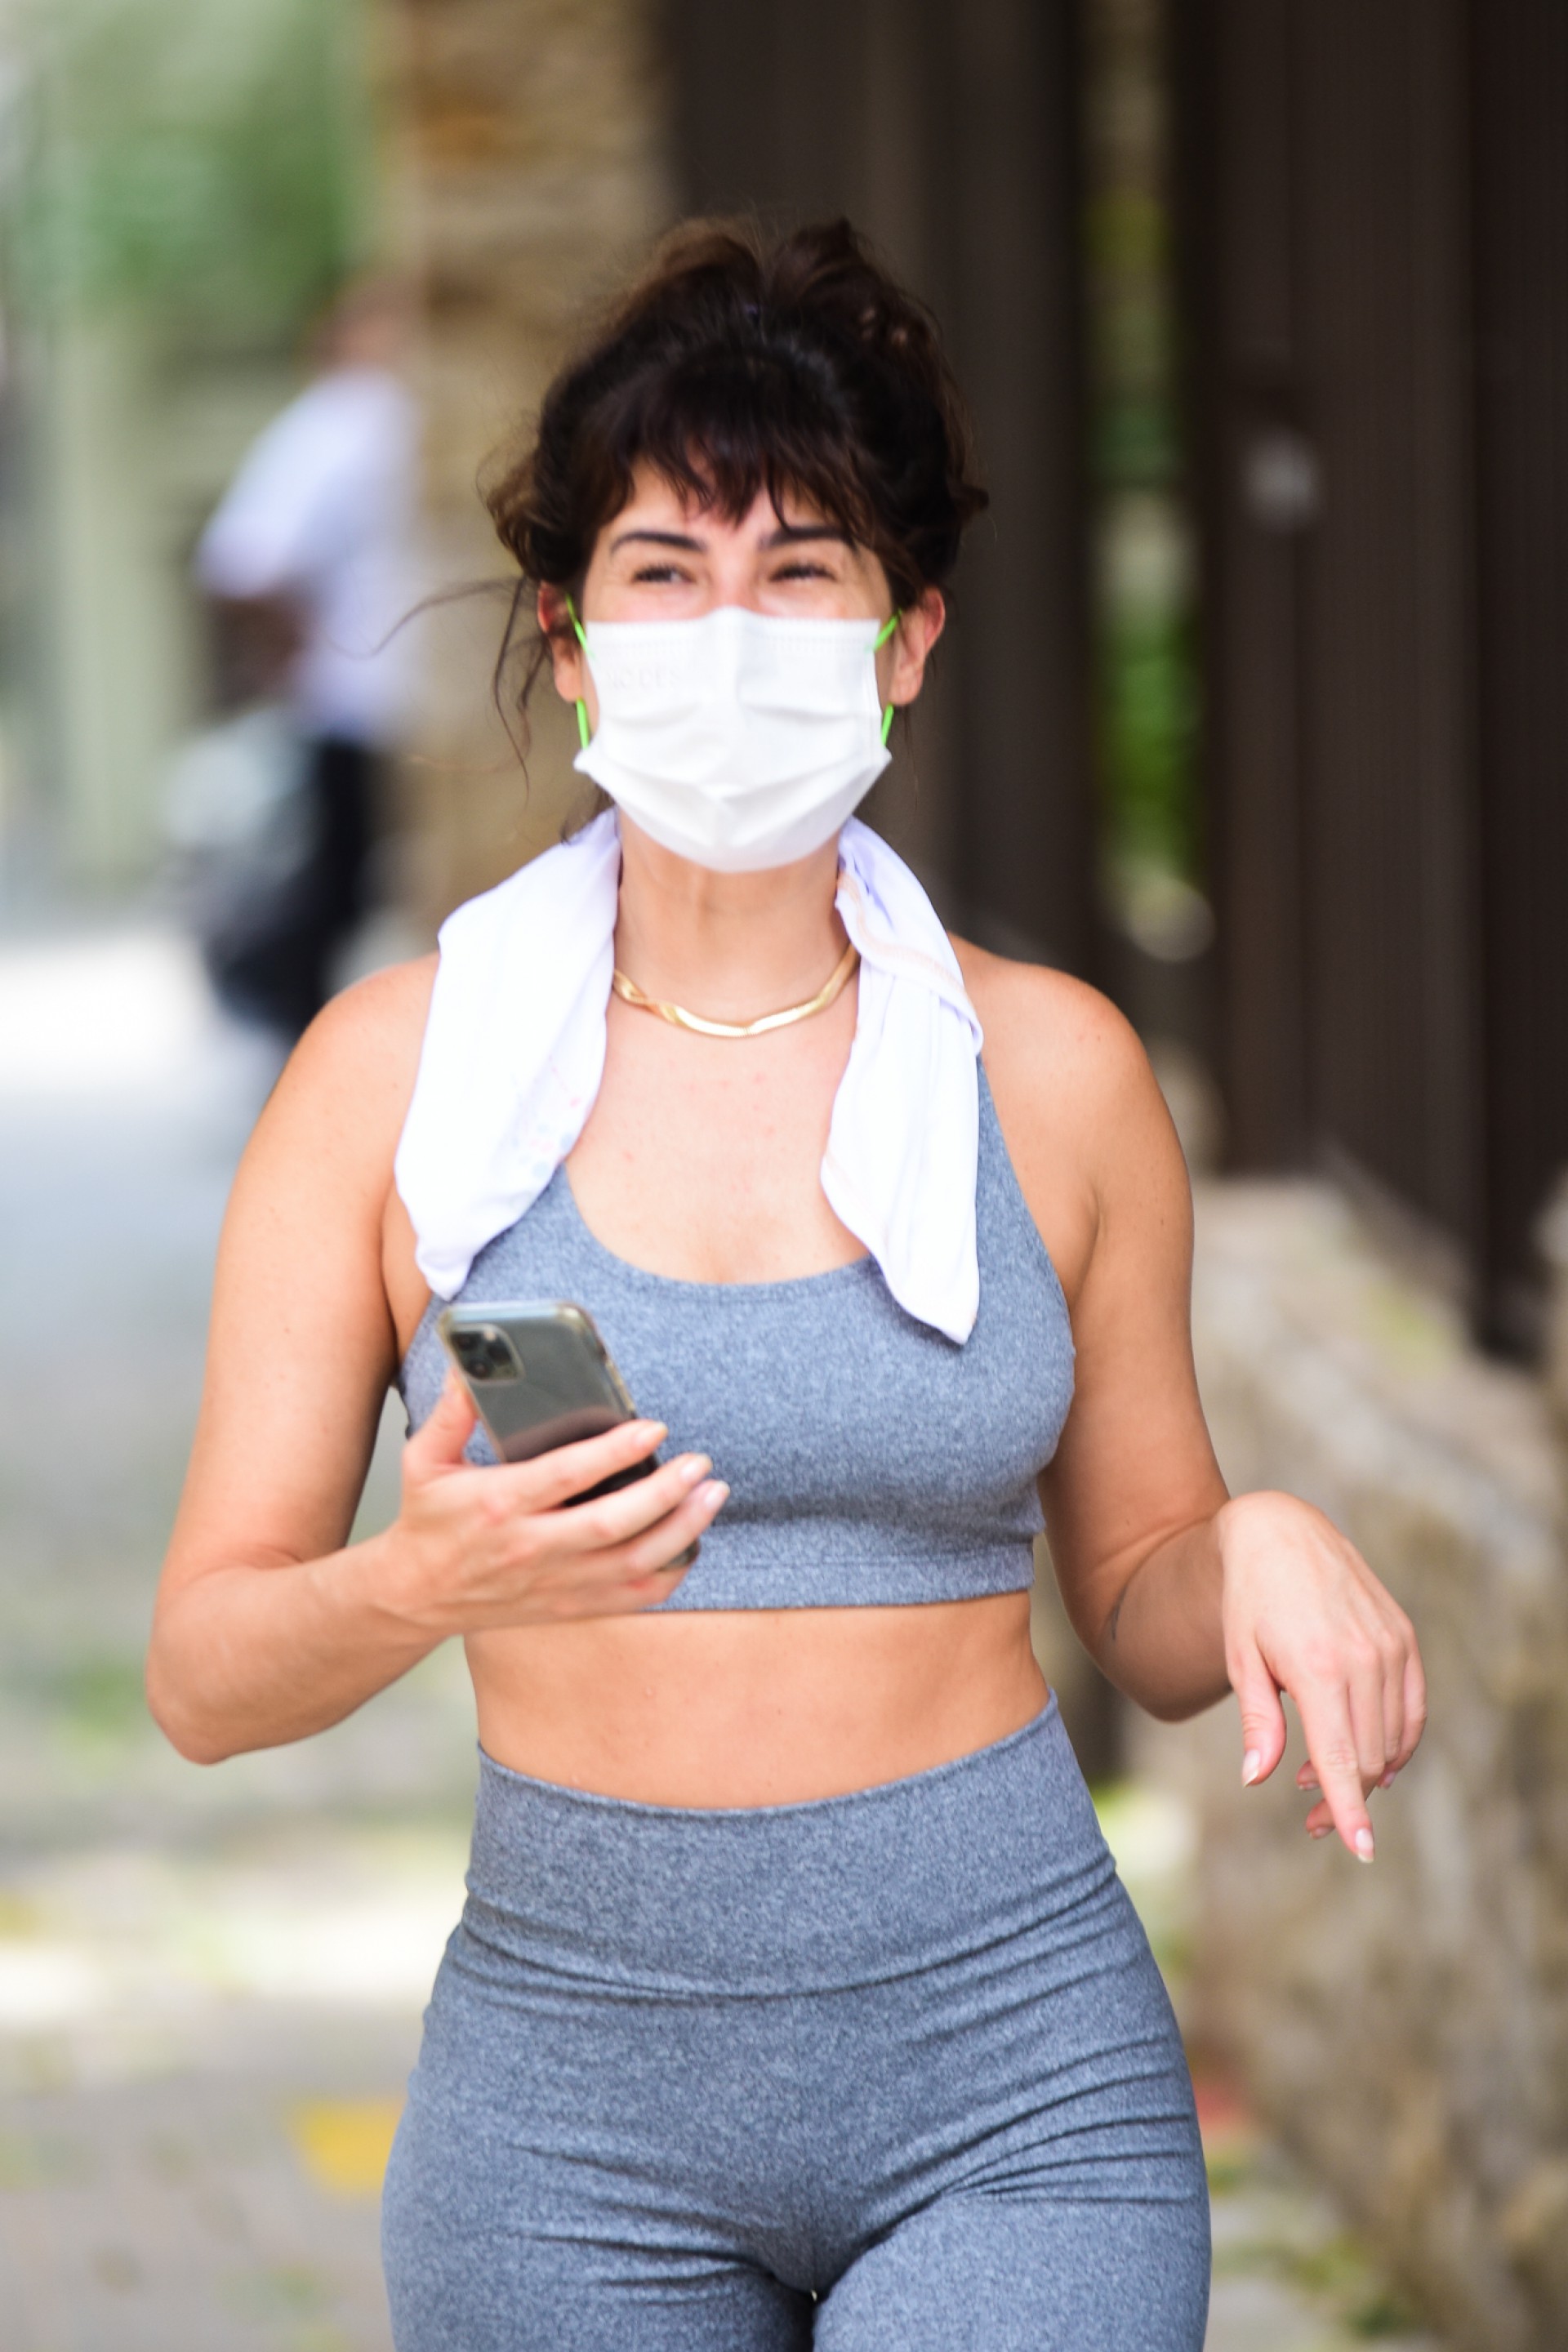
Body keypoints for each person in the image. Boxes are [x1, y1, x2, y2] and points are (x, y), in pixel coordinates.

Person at [149, 220, 1426, 2351]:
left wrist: (1265, 1541)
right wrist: (424, 1582)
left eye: (800, 570)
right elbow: (203, 1675)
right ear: (568, 639)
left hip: (1015, 2088)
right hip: (565, 2120)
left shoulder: (1053, 1071)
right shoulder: (395, 1083)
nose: (727, 632)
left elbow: (1149, 1604)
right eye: (664, 573)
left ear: (906, 637)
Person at [193, 277, 421, 1037]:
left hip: (374, 693)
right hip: (364, 694)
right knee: (342, 883)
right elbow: (243, 561)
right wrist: (295, 647)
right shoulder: (348, 417)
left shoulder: (368, 416)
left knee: (352, 879)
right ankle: (280, 1004)